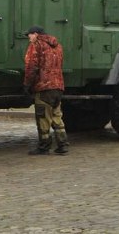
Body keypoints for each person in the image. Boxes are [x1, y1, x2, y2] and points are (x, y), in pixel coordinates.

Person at [23, 25, 69, 155]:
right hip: (58, 86)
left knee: (43, 117)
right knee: (56, 116)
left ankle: (44, 146)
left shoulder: (36, 45)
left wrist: (27, 85)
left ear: (36, 34)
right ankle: (63, 144)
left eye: (30, 35)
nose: (28, 38)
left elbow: (31, 67)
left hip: (44, 87)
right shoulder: (57, 45)